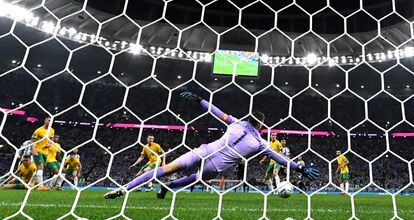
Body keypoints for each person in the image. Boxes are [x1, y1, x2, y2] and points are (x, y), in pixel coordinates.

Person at [104, 92, 319, 199]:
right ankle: (170, 187)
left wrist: (199, 100)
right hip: (214, 167)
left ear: (248, 118)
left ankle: (125, 188)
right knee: (196, 178)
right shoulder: (261, 142)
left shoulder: (236, 121)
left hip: (205, 150)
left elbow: (216, 111)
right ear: (261, 125)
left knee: (165, 169)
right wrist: (300, 168)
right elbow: (279, 158)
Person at [29, 117, 55, 190]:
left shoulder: (52, 130)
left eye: (51, 121)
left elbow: (51, 140)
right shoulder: (38, 130)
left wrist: (50, 144)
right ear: (45, 121)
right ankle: (40, 186)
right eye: (48, 120)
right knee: (41, 167)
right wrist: (33, 150)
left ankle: (30, 184)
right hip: (38, 150)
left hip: (45, 152)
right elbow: (32, 141)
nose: (50, 122)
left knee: (38, 169)